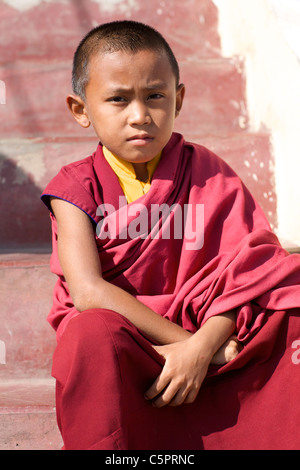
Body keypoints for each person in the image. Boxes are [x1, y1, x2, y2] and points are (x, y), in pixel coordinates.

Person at [41, 20, 300, 450]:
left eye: (155, 96)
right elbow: (87, 292)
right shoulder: (75, 190)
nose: (140, 115)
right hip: (135, 352)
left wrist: (205, 346)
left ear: (178, 100)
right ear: (81, 109)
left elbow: (252, 275)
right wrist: (187, 347)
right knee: (88, 335)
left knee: (291, 311)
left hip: (218, 343)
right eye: (119, 100)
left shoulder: (208, 174)